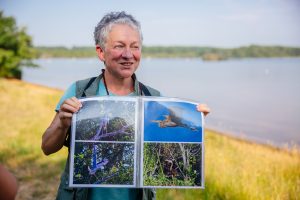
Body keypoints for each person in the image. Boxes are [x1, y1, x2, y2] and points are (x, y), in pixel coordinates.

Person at [41, 11, 210, 200]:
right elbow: (47, 148)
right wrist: (63, 124)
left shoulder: (153, 98)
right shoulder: (80, 91)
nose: (128, 54)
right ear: (100, 51)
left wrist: (193, 125)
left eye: (135, 47)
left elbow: (168, 161)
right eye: (119, 46)